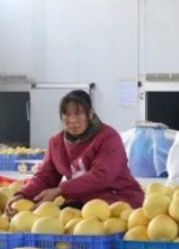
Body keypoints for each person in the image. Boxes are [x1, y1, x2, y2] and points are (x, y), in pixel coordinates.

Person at [5, 90, 144, 214]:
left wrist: (61, 190)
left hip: (120, 200)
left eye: (78, 113)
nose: (72, 120)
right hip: (83, 203)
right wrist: (23, 194)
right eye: (67, 114)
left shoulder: (108, 137)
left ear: (90, 113)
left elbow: (102, 176)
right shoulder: (56, 142)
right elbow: (44, 176)